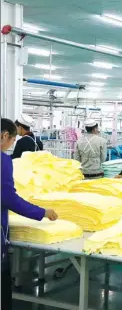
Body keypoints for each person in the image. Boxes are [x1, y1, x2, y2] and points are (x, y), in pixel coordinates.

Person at [1, 118, 58, 310]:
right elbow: (9, 199)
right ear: (5, 135)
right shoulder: (3, 161)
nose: (10, 146)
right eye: (11, 141)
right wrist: (41, 212)